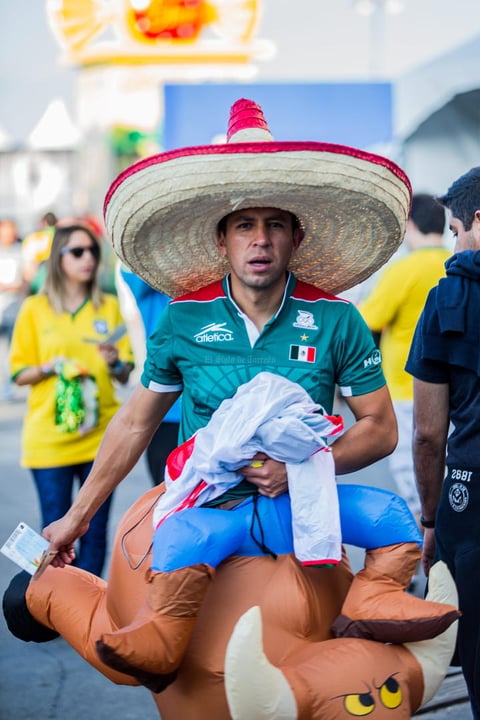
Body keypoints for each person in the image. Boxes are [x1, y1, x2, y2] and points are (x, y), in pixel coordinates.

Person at [40, 99, 456, 691]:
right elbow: (134, 426)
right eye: (244, 226)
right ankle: (152, 634)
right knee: (177, 542)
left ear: (295, 237)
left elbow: (382, 429)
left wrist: (302, 465)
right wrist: (75, 518)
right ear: (223, 240)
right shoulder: (183, 319)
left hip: (307, 511)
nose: (259, 240)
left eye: (274, 225)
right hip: (210, 508)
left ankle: (375, 601)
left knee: (393, 520)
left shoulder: (337, 318)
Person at [9, 223, 135, 577]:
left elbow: (125, 373)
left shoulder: (107, 307)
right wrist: (50, 367)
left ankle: (88, 607)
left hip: (101, 440)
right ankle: (49, 602)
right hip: (49, 440)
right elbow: (18, 374)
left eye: (93, 251)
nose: (88, 259)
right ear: (57, 258)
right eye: (77, 251)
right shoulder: (34, 309)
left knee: (94, 531)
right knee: (54, 527)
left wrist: (114, 362)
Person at [406, 166, 480, 720]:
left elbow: (429, 433)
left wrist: (430, 521)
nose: (453, 241)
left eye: (456, 230)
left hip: (470, 501)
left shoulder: (448, 300)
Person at [358, 194, 450, 523]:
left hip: (404, 386)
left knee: (411, 472)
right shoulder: (456, 264)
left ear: (410, 226)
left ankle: (420, 546)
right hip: (452, 388)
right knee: (446, 465)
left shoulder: (404, 270)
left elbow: (367, 320)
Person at [118, 266, 181, 485]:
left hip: (212, 413)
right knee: (165, 499)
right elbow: (131, 260)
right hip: (165, 414)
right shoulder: (152, 289)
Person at [0, 218, 27, 401]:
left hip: (14, 308)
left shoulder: (20, 252)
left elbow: (25, 280)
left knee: (11, 348)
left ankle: (9, 383)